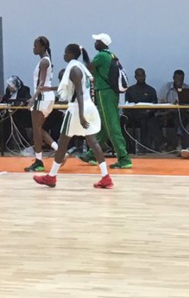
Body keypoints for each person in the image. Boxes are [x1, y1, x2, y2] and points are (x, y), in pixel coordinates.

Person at [32, 44, 113, 190]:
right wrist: (50, 88)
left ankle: (51, 176)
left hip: (78, 108)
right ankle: (106, 177)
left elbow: (79, 93)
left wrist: (81, 115)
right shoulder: (81, 67)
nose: (63, 55)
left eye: (65, 52)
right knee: (93, 142)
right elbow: (72, 87)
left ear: (70, 53)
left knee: (62, 143)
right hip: (89, 106)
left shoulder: (74, 69)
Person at [80, 33, 130, 169]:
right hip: (110, 93)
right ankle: (91, 154)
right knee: (102, 125)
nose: (95, 43)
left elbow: (88, 67)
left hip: (104, 92)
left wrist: (84, 54)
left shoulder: (101, 56)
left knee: (111, 125)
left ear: (102, 43)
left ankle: (124, 158)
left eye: (97, 41)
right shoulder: (111, 55)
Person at [24, 36, 58, 173]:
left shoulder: (44, 61)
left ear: (43, 47)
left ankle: (39, 161)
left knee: (36, 131)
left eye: (36, 46)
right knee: (39, 129)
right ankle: (60, 150)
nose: (34, 48)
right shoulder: (46, 60)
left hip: (42, 97)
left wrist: (33, 98)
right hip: (48, 97)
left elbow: (41, 83)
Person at [124, 68, 158, 153]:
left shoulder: (151, 90)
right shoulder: (130, 90)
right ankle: (128, 148)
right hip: (133, 115)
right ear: (135, 77)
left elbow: (155, 105)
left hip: (147, 115)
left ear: (145, 76)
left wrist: (148, 111)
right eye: (139, 76)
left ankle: (144, 148)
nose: (141, 77)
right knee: (122, 121)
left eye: (142, 75)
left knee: (148, 121)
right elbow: (126, 105)